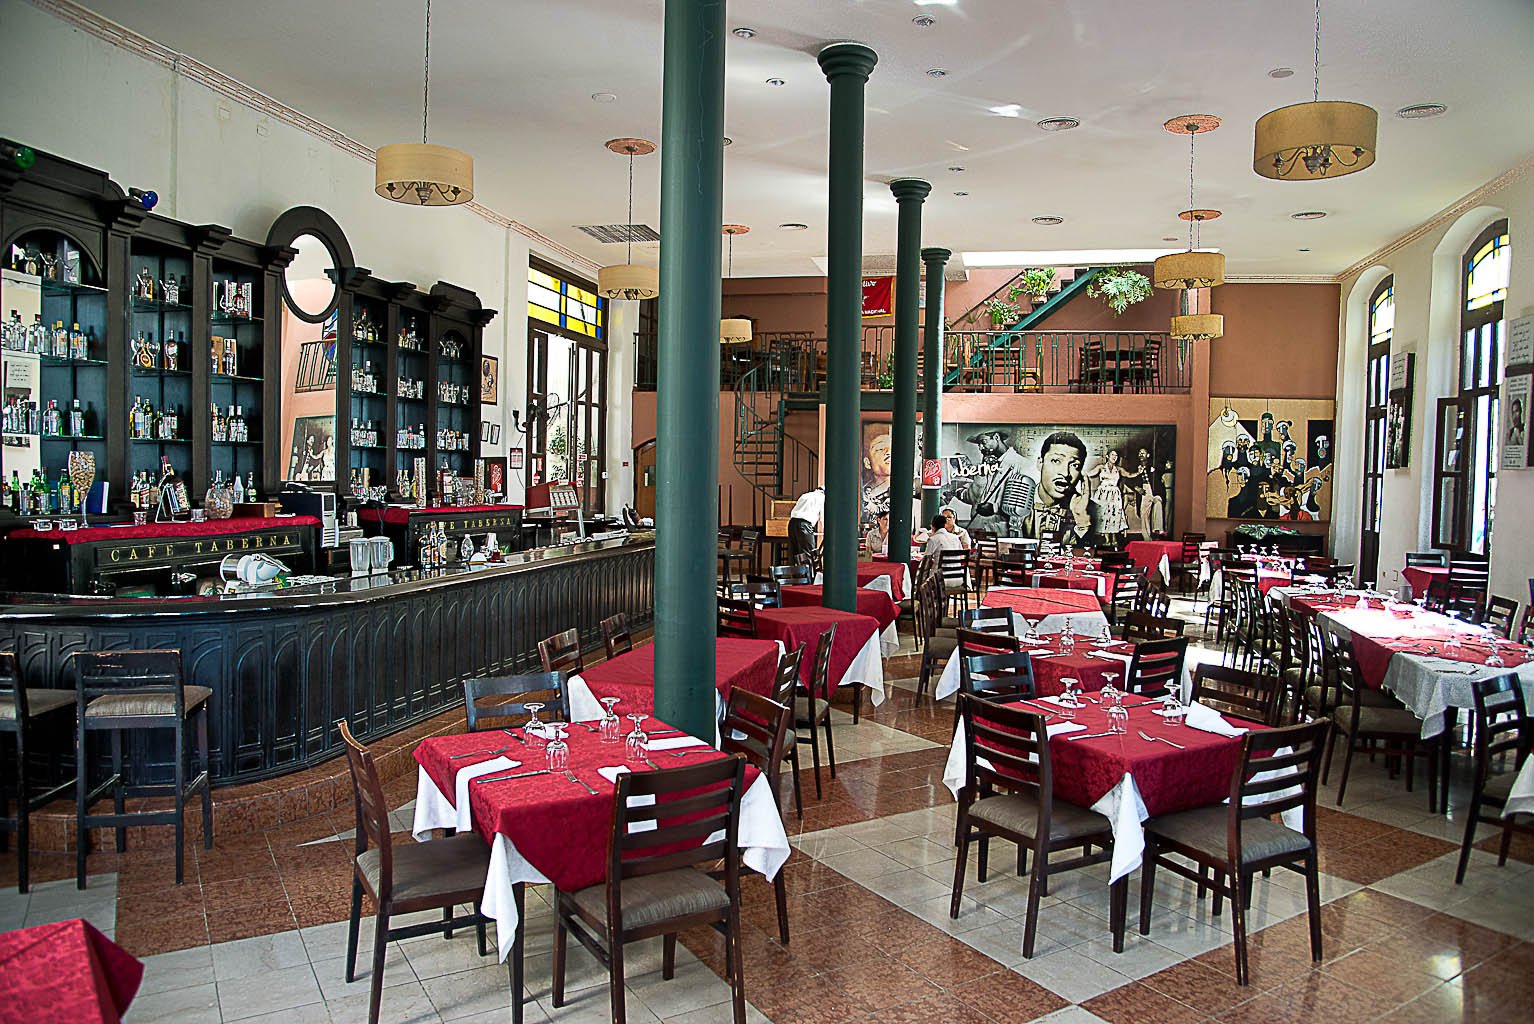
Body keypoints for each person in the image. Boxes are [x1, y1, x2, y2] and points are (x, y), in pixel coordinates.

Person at [947, 428, 1034, 535]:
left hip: (1001, 532)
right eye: (978, 444)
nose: (980, 447)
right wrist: (959, 490)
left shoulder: (1021, 465)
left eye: (983, 442)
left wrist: (994, 508)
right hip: (977, 528)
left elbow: (1022, 507)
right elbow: (973, 499)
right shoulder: (985, 466)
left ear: (996, 437)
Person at [1024, 431, 1100, 546]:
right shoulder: (1013, 503)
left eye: (1075, 465)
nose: (1065, 473)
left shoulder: (1093, 511)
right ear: (1040, 463)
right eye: (1056, 461)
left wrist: (1082, 522)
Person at [1084, 448, 1127, 543]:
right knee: (1104, 515)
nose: (1114, 457)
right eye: (1112, 455)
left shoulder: (1119, 469)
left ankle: (1114, 538)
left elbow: (1129, 474)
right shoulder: (1101, 467)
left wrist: (1139, 472)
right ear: (1107, 456)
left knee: (1115, 515)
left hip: (1114, 494)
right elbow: (1088, 474)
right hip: (1103, 494)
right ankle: (1107, 539)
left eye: (1116, 455)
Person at [788, 485, 824, 563]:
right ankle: (808, 570)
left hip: (792, 523)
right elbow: (823, 517)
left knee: (794, 553)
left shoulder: (805, 495)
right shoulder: (822, 498)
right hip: (805, 525)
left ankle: (794, 570)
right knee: (808, 554)